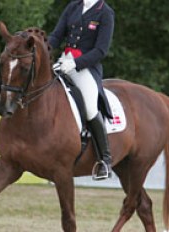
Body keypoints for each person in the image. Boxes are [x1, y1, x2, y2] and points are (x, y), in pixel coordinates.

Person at [48, 0, 115, 180]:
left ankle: (105, 160)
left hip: (84, 68)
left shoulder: (105, 13)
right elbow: (56, 36)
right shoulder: (73, 6)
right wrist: (40, 49)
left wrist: (76, 64)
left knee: (91, 108)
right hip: (63, 61)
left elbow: (101, 50)